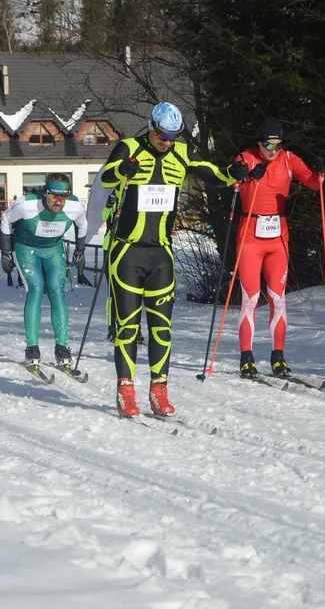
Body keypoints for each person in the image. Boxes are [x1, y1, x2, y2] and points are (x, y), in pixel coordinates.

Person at [100, 102, 237, 417]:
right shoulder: (129, 147)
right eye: (163, 134)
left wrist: (234, 175)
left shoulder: (182, 152)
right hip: (127, 251)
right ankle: (125, 390)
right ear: (151, 126)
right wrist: (123, 169)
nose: (167, 141)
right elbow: (107, 177)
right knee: (128, 327)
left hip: (161, 252)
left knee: (161, 328)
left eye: (173, 135)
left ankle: (159, 390)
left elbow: (214, 174)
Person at [230, 117, 323, 379]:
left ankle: (278, 357)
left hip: (278, 237)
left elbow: (313, 183)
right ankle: (246, 357)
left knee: (278, 298)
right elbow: (232, 180)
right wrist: (247, 177)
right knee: (250, 298)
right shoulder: (246, 157)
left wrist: (320, 173)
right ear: (258, 143)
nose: (272, 151)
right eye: (267, 145)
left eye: (277, 146)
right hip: (250, 237)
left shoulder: (289, 159)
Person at [0, 173, 88, 377]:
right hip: (27, 249)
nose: (59, 202)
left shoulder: (75, 207)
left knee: (57, 291)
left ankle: (62, 348)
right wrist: (5, 251)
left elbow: (82, 225)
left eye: (63, 197)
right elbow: (5, 220)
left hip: (53, 249)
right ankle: (32, 349)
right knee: (36, 289)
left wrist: (80, 252)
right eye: (54, 196)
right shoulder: (26, 205)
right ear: (45, 193)